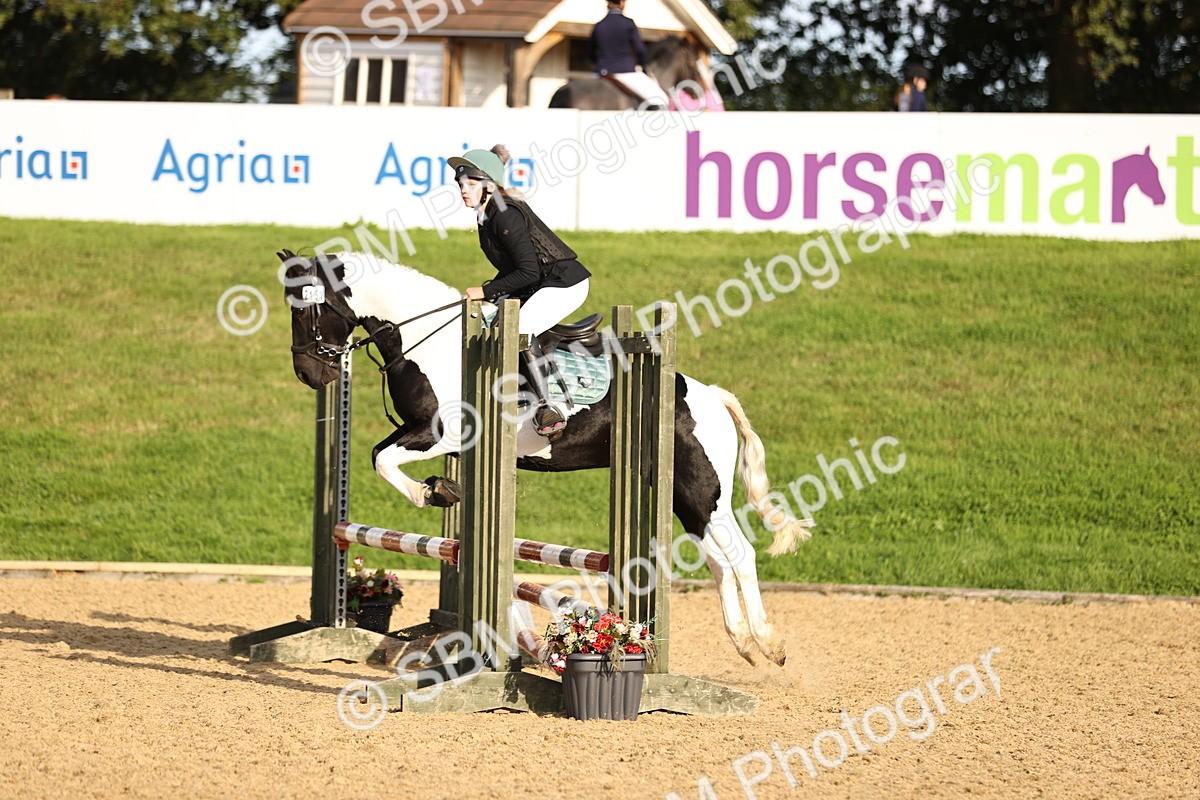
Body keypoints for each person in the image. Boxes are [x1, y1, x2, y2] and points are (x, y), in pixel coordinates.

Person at [449, 145, 591, 438]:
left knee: (517, 328)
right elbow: (513, 270)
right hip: (542, 282)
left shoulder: (504, 214)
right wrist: (489, 293)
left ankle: (545, 407)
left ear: (489, 185)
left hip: (564, 283)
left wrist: (486, 290)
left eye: (471, 183)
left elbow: (528, 271)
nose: (464, 189)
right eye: (461, 184)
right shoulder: (487, 213)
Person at [590, 0, 669, 108]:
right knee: (661, 99)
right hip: (625, 72)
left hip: (601, 72)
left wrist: (601, 64)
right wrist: (642, 64)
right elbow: (640, 50)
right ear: (622, 3)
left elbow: (590, 54)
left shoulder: (599, 26)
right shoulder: (628, 24)